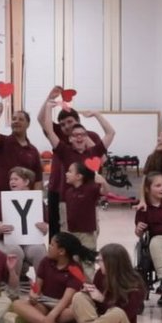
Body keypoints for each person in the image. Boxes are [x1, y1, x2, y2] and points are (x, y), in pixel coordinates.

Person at [50, 243, 144, 323]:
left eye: (101, 261)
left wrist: (103, 299)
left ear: (112, 263)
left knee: (117, 312)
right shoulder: (100, 274)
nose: (98, 264)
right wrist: (89, 293)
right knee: (79, 296)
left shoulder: (135, 283)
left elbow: (126, 315)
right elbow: (95, 307)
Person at [41, 99, 114, 238]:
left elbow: (110, 133)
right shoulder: (65, 152)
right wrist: (49, 109)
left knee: (89, 237)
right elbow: (49, 131)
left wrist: (97, 115)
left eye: (82, 134)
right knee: (68, 237)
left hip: (89, 202)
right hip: (67, 201)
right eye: (75, 135)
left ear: (87, 137)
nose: (79, 137)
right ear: (70, 139)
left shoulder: (93, 152)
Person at [10, 233, 90, 323]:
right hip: (44, 303)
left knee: (74, 312)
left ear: (61, 251)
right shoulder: (46, 261)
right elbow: (37, 286)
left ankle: (36, 322)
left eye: (52, 245)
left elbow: (66, 299)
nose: (49, 247)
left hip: (62, 307)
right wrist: (33, 293)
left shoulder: (75, 269)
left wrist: (52, 315)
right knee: (17, 304)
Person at [0, 101, 42, 222]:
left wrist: (37, 201)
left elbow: (38, 180)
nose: (16, 121)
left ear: (28, 124)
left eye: (21, 119)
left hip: (24, 199)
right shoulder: (2, 140)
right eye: (14, 119)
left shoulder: (33, 150)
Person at [0, 166, 50, 277]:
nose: (12, 182)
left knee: (39, 251)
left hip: (29, 241)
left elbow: (45, 227)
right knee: (15, 251)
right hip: (6, 241)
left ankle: (42, 287)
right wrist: (0, 227)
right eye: (10, 179)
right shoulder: (4, 199)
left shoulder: (37, 200)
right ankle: (13, 287)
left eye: (15, 179)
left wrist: (44, 228)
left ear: (26, 182)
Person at [59, 161, 109, 251]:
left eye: (70, 171)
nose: (66, 174)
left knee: (87, 260)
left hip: (87, 234)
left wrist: (103, 182)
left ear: (79, 176)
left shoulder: (90, 189)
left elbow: (105, 192)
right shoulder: (68, 192)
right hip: (72, 232)